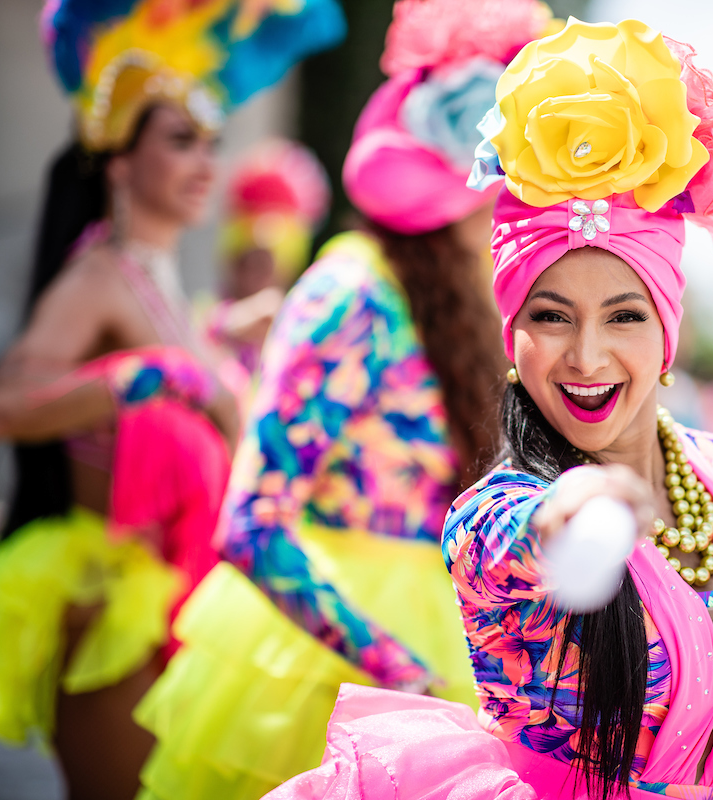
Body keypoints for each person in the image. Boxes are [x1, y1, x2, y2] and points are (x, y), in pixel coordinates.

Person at [266, 18, 713, 800]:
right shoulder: (492, 517)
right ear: (511, 332)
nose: (586, 358)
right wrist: (572, 506)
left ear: (669, 327)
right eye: (551, 317)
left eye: (624, 316)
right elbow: (528, 536)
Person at [132, 2, 554, 798]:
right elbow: (252, 522)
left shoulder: (470, 308)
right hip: (325, 684)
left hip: (438, 661)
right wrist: (403, 677)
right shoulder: (350, 290)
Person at [0, 1, 343, 797]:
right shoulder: (102, 274)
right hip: (110, 614)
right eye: (181, 141)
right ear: (118, 162)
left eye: (213, 145)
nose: (205, 164)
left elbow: (171, 372)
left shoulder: (157, 279)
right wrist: (134, 381)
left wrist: (219, 339)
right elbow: (15, 397)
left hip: (181, 601)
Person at [205, 139, 331, 384]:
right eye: (247, 256)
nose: (256, 268)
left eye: (268, 261)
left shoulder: (304, 325)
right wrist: (228, 324)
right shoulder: (209, 321)